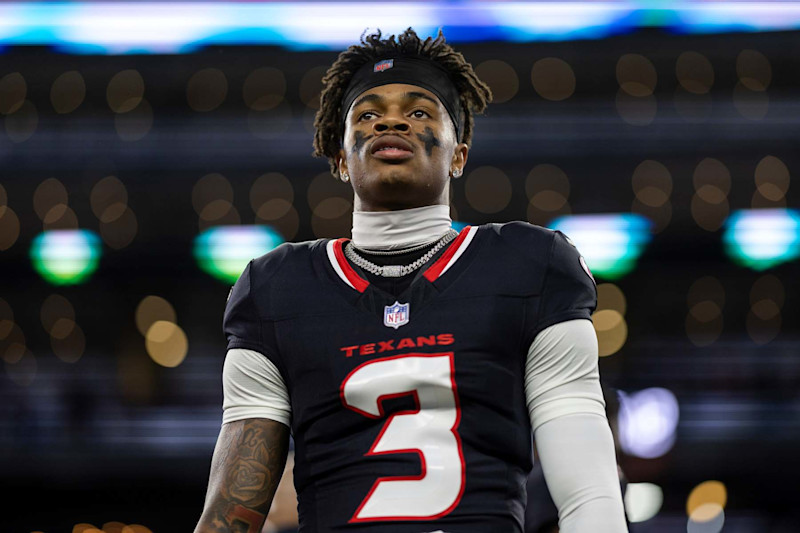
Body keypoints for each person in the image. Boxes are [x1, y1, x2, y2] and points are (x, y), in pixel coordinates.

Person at [195, 28, 627, 533]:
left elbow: (588, 491)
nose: (392, 120)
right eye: (367, 113)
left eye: (420, 111)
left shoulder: (531, 264)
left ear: (459, 154)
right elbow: (231, 515)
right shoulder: (274, 288)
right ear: (339, 157)